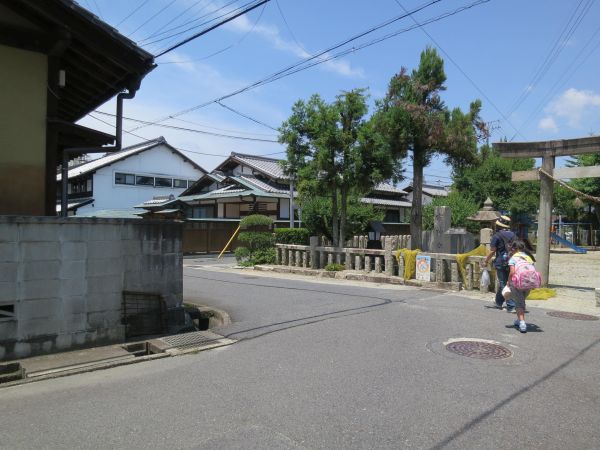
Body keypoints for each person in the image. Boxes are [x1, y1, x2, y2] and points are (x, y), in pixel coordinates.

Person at [483, 215, 516, 312]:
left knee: (503, 283)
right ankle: (498, 302)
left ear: (498, 226)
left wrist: (486, 261)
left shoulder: (496, 236)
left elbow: (492, 251)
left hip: (501, 262)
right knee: (506, 282)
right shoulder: (513, 235)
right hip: (511, 262)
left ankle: (511, 305)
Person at [507, 240, 536, 333]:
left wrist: (508, 281)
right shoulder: (529, 257)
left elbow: (512, 272)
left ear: (514, 249)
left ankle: (522, 323)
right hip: (528, 283)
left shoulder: (513, 258)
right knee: (521, 302)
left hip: (517, 283)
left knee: (519, 303)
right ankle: (519, 320)